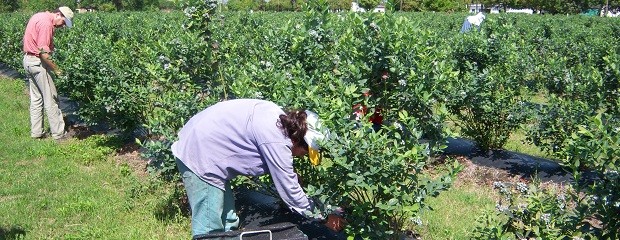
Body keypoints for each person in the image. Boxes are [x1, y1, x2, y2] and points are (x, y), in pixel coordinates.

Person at [171, 99, 346, 238]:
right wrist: (325, 219)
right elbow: (292, 195)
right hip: (200, 152)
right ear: (298, 140)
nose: (302, 156)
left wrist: (289, 175)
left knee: (228, 220)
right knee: (209, 227)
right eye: (305, 152)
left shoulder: (280, 122)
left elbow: (270, 154)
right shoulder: (275, 140)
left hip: (207, 141)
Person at [22, 6, 74, 141]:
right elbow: (43, 53)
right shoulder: (46, 24)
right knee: (51, 98)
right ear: (58, 14)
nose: (62, 26)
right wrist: (56, 69)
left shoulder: (39, 16)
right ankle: (58, 134)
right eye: (63, 22)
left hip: (28, 61)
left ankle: (37, 132)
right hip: (37, 63)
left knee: (36, 99)